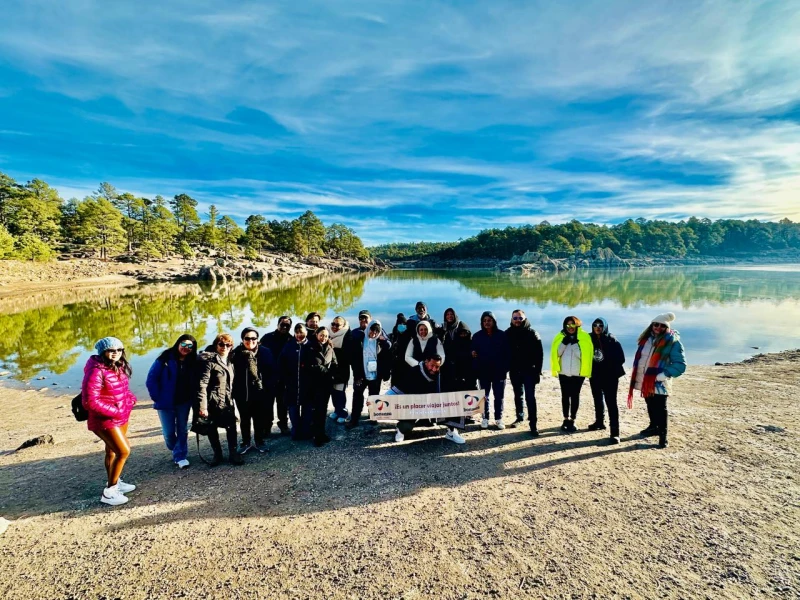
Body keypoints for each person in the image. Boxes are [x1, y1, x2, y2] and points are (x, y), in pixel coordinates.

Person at [82, 337, 137, 506]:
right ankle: (110, 492)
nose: (116, 353)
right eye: (111, 350)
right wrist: (116, 410)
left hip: (120, 416)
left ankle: (115, 481)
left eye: (119, 350)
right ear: (103, 352)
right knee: (124, 451)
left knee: (112, 451)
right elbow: (90, 401)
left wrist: (130, 399)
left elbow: (121, 390)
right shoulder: (96, 370)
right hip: (105, 420)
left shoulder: (115, 367)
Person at [628, 312, 686, 449]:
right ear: (651, 325)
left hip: (660, 383)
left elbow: (680, 365)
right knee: (650, 404)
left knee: (661, 408)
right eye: (656, 324)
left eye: (662, 325)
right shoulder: (646, 339)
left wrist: (663, 375)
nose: (658, 327)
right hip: (645, 380)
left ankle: (663, 437)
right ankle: (653, 427)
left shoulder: (672, 342)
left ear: (666, 327)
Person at [146, 334, 198, 469]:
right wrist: (157, 397)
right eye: (184, 344)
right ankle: (176, 447)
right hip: (165, 403)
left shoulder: (192, 362)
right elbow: (151, 380)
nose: (186, 348)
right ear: (178, 343)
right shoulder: (164, 359)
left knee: (182, 429)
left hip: (184, 402)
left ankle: (180, 456)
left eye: (190, 346)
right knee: (168, 433)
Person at [391, 355, 466, 444]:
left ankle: (451, 432)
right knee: (406, 425)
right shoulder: (414, 371)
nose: (434, 369)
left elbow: (456, 389)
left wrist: (478, 398)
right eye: (432, 365)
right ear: (426, 362)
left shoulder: (444, 372)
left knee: (454, 402)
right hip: (415, 405)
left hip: (436, 404)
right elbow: (397, 389)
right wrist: (376, 401)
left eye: (437, 367)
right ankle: (401, 430)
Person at [196, 333, 242, 466]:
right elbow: (202, 385)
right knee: (212, 428)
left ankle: (233, 453)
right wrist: (203, 406)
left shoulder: (230, 360)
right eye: (221, 344)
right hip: (212, 401)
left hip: (227, 401)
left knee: (231, 427)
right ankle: (218, 454)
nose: (225, 347)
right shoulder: (209, 361)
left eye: (228, 345)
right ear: (216, 345)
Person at [230, 327, 276, 455]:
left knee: (259, 419)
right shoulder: (236, 353)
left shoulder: (265, 352)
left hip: (261, 393)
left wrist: (268, 388)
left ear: (257, 339)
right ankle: (245, 442)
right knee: (244, 419)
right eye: (247, 338)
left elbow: (272, 372)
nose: (250, 341)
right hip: (242, 393)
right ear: (242, 339)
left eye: (253, 338)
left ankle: (260, 441)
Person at [346, 319, 391, 429]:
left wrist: (383, 341)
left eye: (376, 332)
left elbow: (389, 350)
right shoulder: (360, 338)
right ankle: (355, 418)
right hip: (361, 373)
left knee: (374, 395)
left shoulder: (380, 338)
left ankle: (373, 416)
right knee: (357, 395)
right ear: (368, 329)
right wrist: (357, 375)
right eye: (372, 331)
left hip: (375, 374)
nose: (373, 334)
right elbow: (354, 358)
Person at [551, 316, 593, 433]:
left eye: (572, 325)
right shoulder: (560, 337)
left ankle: (572, 419)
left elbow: (582, 357)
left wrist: (574, 344)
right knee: (565, 395)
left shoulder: (584, 337)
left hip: (577, 373)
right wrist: (564, 343)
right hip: (563, 372)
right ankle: (565, 419)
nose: (570, 328)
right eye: (568, 325)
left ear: (577, 325)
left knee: (575, 396)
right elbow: (557, 354)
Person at [505, 310, 544, 436]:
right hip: (515, 371)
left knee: (530, 397)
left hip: (529, 371)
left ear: (525, 319)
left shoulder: (532, 333)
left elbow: (540, 355)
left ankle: (533, 424)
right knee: (518, 395)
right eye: (515, 318)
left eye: (520, 318)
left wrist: (538, 371)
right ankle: (520, 417)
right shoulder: (508, 333)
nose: (517, 320)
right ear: (511, 319)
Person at [588, 318, 626, 444]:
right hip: (595, 376)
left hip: (610, 377)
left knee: (611, 403)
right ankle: (599, 422)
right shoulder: (589, 339)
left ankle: (615, 433)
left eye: (600, 325)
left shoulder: (612, 340)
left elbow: (621, 358)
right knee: (597, 399)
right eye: (595, 325)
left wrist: (608, 366)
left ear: (605, 327)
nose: (598, 327)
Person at [471, 311, 511, 430]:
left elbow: (508, 354)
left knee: (499, 397)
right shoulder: (477, 336)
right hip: (483, 372)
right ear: (482, 323)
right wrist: (473, 356)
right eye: (484, 321)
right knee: (484, 396)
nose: (487, 323)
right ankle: (485, 418)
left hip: (499, 372)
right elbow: (473, 352)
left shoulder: (502, 335)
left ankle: (498, 418)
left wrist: (505, 369)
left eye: (489, 320)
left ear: (494, 321)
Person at [279, 323, 315, 440]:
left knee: (307, 409)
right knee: (293, 410)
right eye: (297, 332)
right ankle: (296, 430)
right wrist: (285, 379)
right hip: (292, 385)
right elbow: (281, 363)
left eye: (302, 332)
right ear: (294, 333)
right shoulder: (288, 346)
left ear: (306, 332)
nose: (299, 335)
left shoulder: (311, 346)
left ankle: (306, 431)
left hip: (308, 385)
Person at [260, 316, 293, 435]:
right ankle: (267, 427)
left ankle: (283, 425)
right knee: (267, 404)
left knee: (283, 404)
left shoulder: (291, 339)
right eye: (282, 324)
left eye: (287, 325)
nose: (284, 327)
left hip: (284, 377)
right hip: (268, 377)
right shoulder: (267, 338)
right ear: (278, 324)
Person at [309, 326, 338, 446]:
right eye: (321, 335)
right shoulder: (310, 348)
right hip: (314, 384)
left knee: (323, 409)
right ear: (316, 335)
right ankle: (316, 436)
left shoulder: (330, 348)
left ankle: (322, 433)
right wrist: (326, 370)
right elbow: (311, 366)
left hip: (326, 384)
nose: (323, 338)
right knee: (316, 410)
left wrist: (332, 374)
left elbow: (335, 363)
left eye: (326, 336)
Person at [328, 316, 352, 423]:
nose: (334, 327)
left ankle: (343, 413)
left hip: (342, 369)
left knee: (340, 392)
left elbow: (349, 355)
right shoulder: (327, 333)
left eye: (337, 325)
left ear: (343, 326)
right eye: (333, 324)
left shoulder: (347, 335)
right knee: (333, 391)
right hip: (330, 369)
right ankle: (336, 411)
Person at [440, 307, 467, 391]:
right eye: (447, 315)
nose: (449, 316)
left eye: (451, 314)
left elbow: (468, 339)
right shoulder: (443, 327)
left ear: (455, 315)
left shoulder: (461, 325)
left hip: (460, 359)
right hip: (447, 360)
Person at [390, 313, 411, 390]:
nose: (402, 325)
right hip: (396, 366)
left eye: (403, 324)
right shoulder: (394, 336)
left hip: (406, 366)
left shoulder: (409, 337)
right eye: (400, 324)